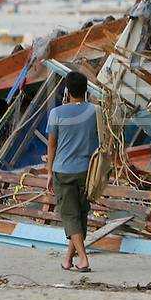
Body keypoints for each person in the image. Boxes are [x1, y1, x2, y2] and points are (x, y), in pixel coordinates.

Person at [45, 71, 99, 273]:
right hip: (87, 171)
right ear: (86, 90)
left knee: (70, 216)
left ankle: (83, 259)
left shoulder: (56, 114)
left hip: (63, 171)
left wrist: (49, 172)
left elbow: (51, 146)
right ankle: (68, 259)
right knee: (80, 214)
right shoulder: (95, 111)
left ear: (67, 91)